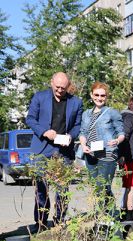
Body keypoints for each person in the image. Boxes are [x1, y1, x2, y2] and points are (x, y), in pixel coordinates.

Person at [26, 72, 83, 231]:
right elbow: (30, 119)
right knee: (41, 188)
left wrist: (71, 136)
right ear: (51, 83)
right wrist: (44, 131)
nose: (59, 90)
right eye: (57, 87)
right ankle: (41, 223)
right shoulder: (39, 97)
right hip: (42, 149)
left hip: (64, 150)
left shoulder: (76, 102)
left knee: (62, 189)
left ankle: (59, 221)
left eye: (63, 88)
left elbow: (77, 125)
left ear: (68, 86)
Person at [79, 82, 125, 210]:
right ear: (91, 95)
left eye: (103, 95)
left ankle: (107, 216)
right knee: (96, 186)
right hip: (91, 153)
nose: (99, 98)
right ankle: (105, 216)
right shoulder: (86, 114)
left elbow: (121, 133)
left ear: (106, 97)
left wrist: (117, 141)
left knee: (103, 185)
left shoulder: (112, 113)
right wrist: (83, 145)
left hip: (108, 152)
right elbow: (83, 133)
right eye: (97, 95)